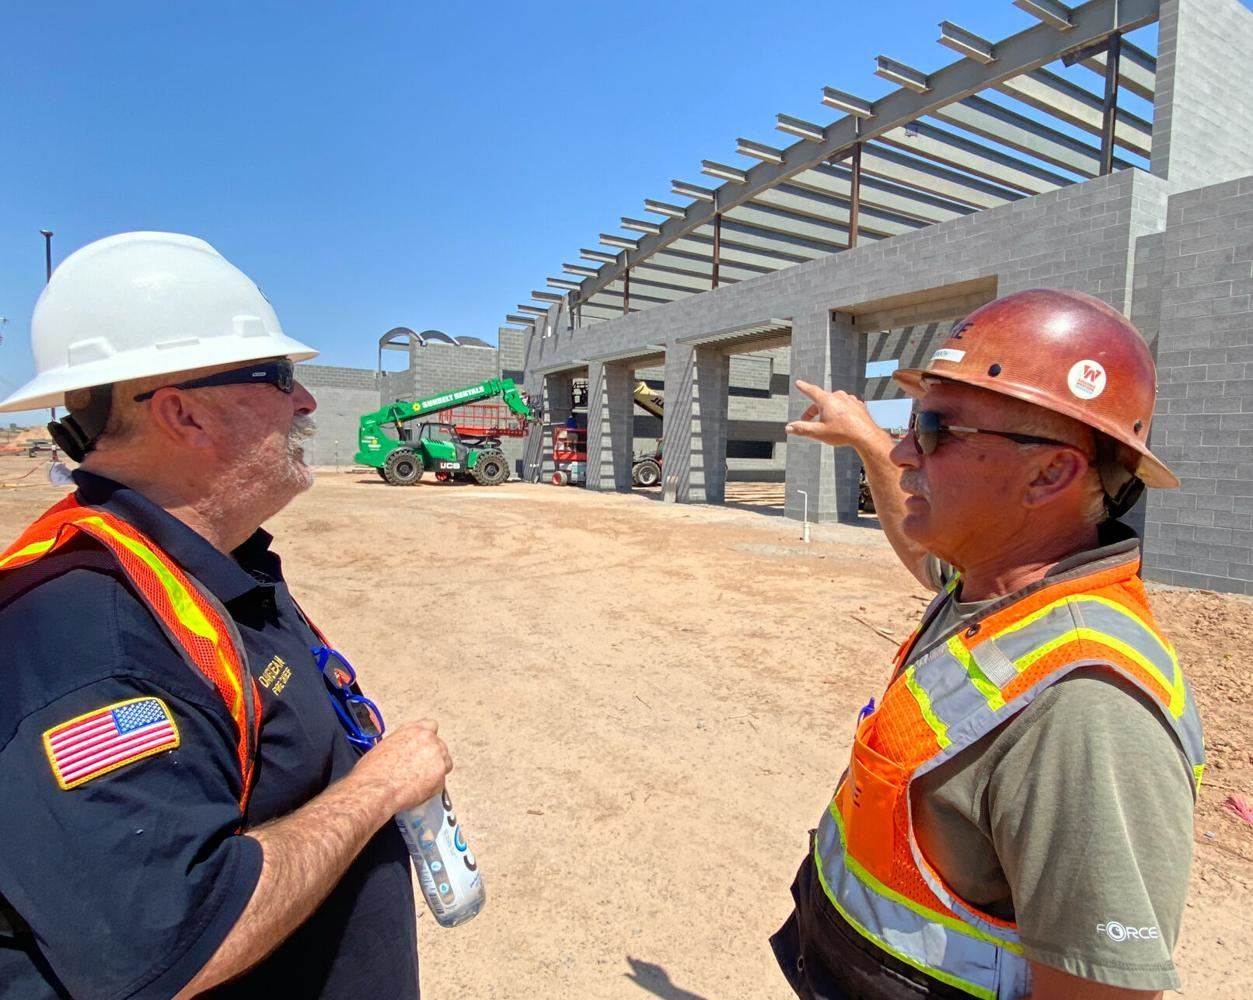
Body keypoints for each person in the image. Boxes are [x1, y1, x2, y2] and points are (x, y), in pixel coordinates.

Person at [0, 232, 451, 998]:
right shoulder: (91, 639)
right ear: (183, 414)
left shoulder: (205, 567)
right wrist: (380, 787)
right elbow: (169, 949)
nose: (306, 401)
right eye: (278, 376)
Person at [772, 289, 1205, 1000]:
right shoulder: (992, 587)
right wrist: (863, 438)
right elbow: (924, 555)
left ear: (1049, 474)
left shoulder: (1086, 707)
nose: (906, 452)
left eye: (935, 430)